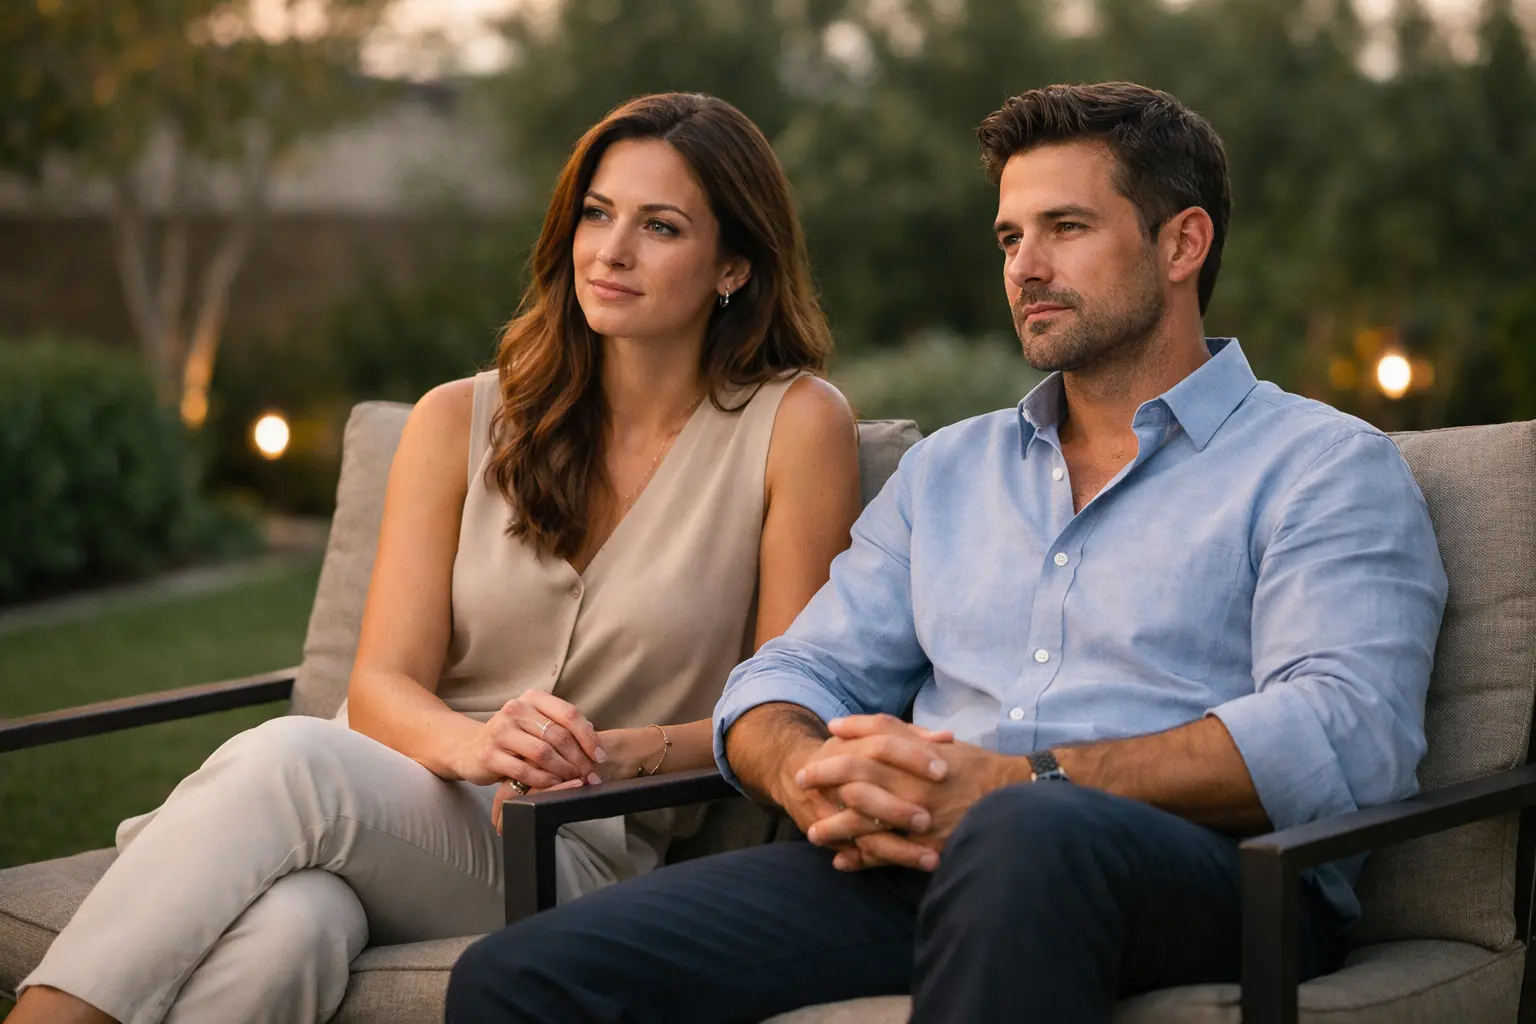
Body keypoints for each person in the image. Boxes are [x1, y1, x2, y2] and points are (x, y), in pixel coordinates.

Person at [444, 81, 1450, 1023]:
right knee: (520, 977)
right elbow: (791, 673)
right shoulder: (951, 474)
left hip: (1220, 874)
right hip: (919, 860)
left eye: (1066, 228)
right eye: (1011, 235)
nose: (1026, 265)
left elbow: (1344, 731)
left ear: (1184, 242)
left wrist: (1024, 782)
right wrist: (804, 772)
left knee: (1022, 837)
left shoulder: (1321, 466)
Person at [12, 92, 862, 1024]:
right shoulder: (458, 419)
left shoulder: (796, 427)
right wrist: (477, 744)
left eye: (660, 227)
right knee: (291, 932)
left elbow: (791, 704)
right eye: (596, 214)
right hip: (385, 788)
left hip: (567, 843)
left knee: (293, 761)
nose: (611, 251)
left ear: (734, 264)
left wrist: (625, 752)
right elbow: (379, 685)